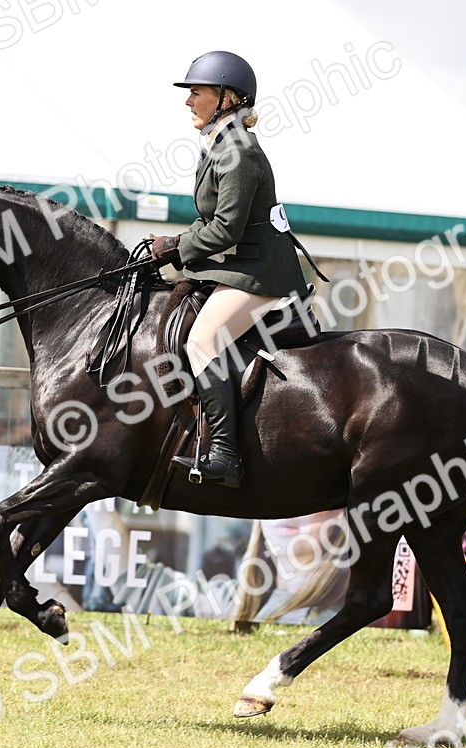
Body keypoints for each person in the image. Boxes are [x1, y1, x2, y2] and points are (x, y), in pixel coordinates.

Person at [152, 51, 312, 489]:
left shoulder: (239, 151)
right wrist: (167, 246)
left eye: (196, 92)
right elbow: (210, 221)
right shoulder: (222, 145)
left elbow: (225, 229)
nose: (189, 101)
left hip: (260, 272)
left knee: (202, 340)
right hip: (240, 265)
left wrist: (177, 248)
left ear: (227, 98)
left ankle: (225, 453)